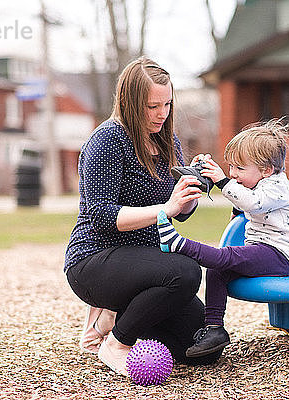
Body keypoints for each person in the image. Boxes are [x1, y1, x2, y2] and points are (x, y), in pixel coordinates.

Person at [64, 56, 222, 376]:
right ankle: (116, 344)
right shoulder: (108, 139)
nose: (162, 114)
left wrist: (188, 196)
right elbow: (101, 215)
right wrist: (166, 209)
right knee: (187, 272)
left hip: (146, 265)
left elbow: (176, 211)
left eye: (167, 104)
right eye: (152, 106)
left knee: (201, 348)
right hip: (94, 259)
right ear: (130, 102)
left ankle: (112, 319)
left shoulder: (168, 141)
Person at [157, 119, 289, 357]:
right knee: (217, 269)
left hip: (280, 256)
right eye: (230, 167)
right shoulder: (259, 182)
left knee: (224, 256)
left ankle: (178, 244)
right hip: (263, 249)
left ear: (267, 170)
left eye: (239, 168)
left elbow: (252, 203)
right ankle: (214, 328)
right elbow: (241, 202)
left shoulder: (277, 186)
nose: (233, 174)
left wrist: (221, 181)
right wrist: (206, 174)